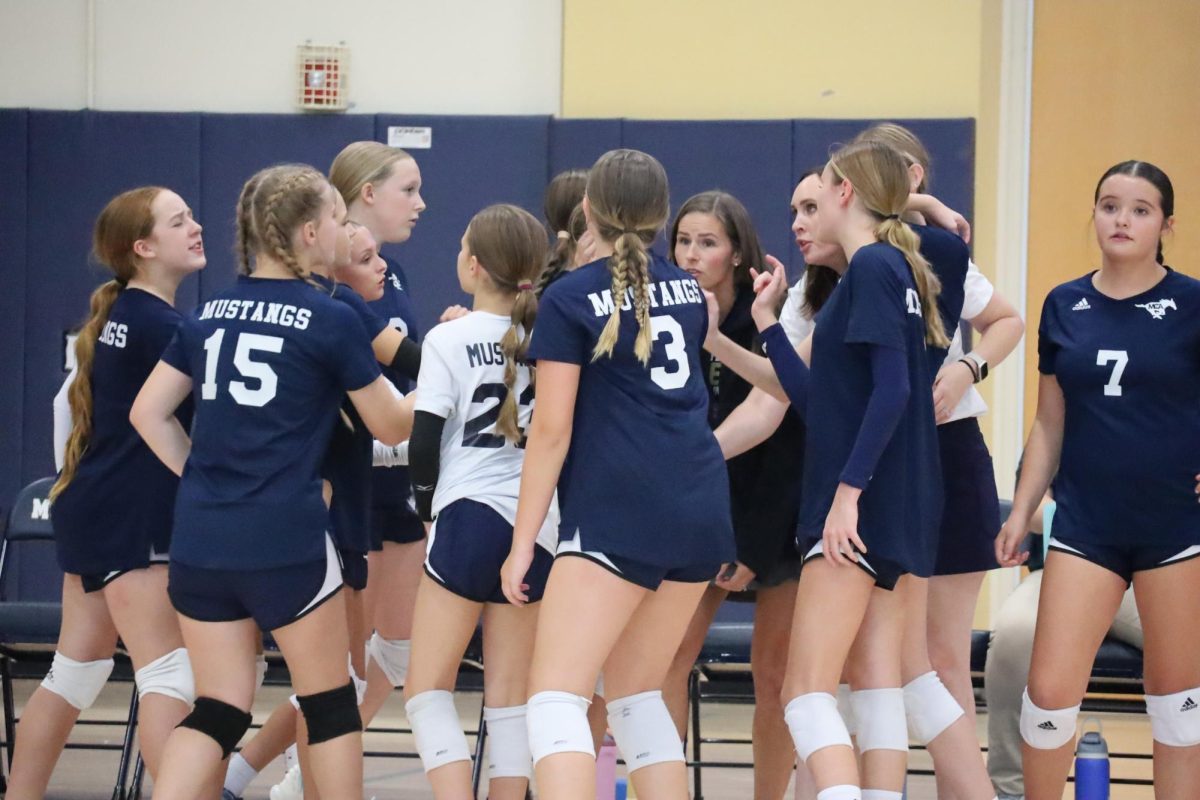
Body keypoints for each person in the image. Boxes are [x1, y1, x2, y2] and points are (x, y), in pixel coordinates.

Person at [130, 163, 413, 799]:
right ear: (311, 233)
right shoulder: (330, 317)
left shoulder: (205, 315)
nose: (346, 231)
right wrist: (445, 379)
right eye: (340, 220)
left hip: (201, 535)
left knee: (220, 708)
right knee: (331, 701)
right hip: (283, 537)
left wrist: (205, 476)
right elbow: (391, 426)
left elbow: (146, 413)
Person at [500, 148, 735, 800]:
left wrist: (523, 544)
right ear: (663, 218)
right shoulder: (691, 291)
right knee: (636, 701)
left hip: (619, 504)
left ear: (587, 210)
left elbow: (549, 430)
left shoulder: (570, 297)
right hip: (699, 503)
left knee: (555, 702)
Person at [747, 140, 946, 800]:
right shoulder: (884, 273)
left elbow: (895, 391)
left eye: (817, 195)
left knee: (805, 695)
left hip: (862, 506)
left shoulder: (876, 269)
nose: (804, 213)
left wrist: (846, 494)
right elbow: (821, 407)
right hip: (889, 504)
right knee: (875, 684)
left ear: (843, 194)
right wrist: (768, 326)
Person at [996, 160, 1200, 799]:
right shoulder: (1064, 303)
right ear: (1094, 214)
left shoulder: (1193, 304)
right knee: (1050, 694)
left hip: (1175, 526)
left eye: (1140, 209)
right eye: (1110, 205)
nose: (1122, 219)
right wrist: (1018, 510)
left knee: (1176, 704)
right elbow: (1049, 424)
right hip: (1087, 524)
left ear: (1166, 224)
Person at [9, 187, 205, 799]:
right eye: (179, 222)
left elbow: (62, 415)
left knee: (77, 671)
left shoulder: (121, 316)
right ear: (143, 248)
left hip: (91, 508)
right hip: (134, 518)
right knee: (169, 672)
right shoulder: (164, 326)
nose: (196, 227)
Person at [403, 204, 555, 800]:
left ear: (472, 264)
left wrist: (425, 511)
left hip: (467, 515)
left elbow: (422, 439)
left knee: (425, 691)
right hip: (537, 525)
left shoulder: (448, 336)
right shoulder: (551, 340)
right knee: (511, 700)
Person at [658, 190, 806, 800]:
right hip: (694, 506)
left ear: (737, 252)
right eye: (683, 242)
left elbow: (775, 426)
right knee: (666, 657)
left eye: (708, 243)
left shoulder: (772, 316)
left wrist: (747, 541)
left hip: (778, 503)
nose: (692, 255)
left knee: (776, 677)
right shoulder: (664, 316)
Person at [329, 141, 428, 727]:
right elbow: (407, 363)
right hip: (352, 478)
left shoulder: (395, 273)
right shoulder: (338, 285)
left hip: (398, 477)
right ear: (367, 194)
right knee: (341, 667)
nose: (420, 204)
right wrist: (471, 352)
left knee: (394, 653)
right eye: (408, 190)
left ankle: (295, 779)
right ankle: (295, 778)